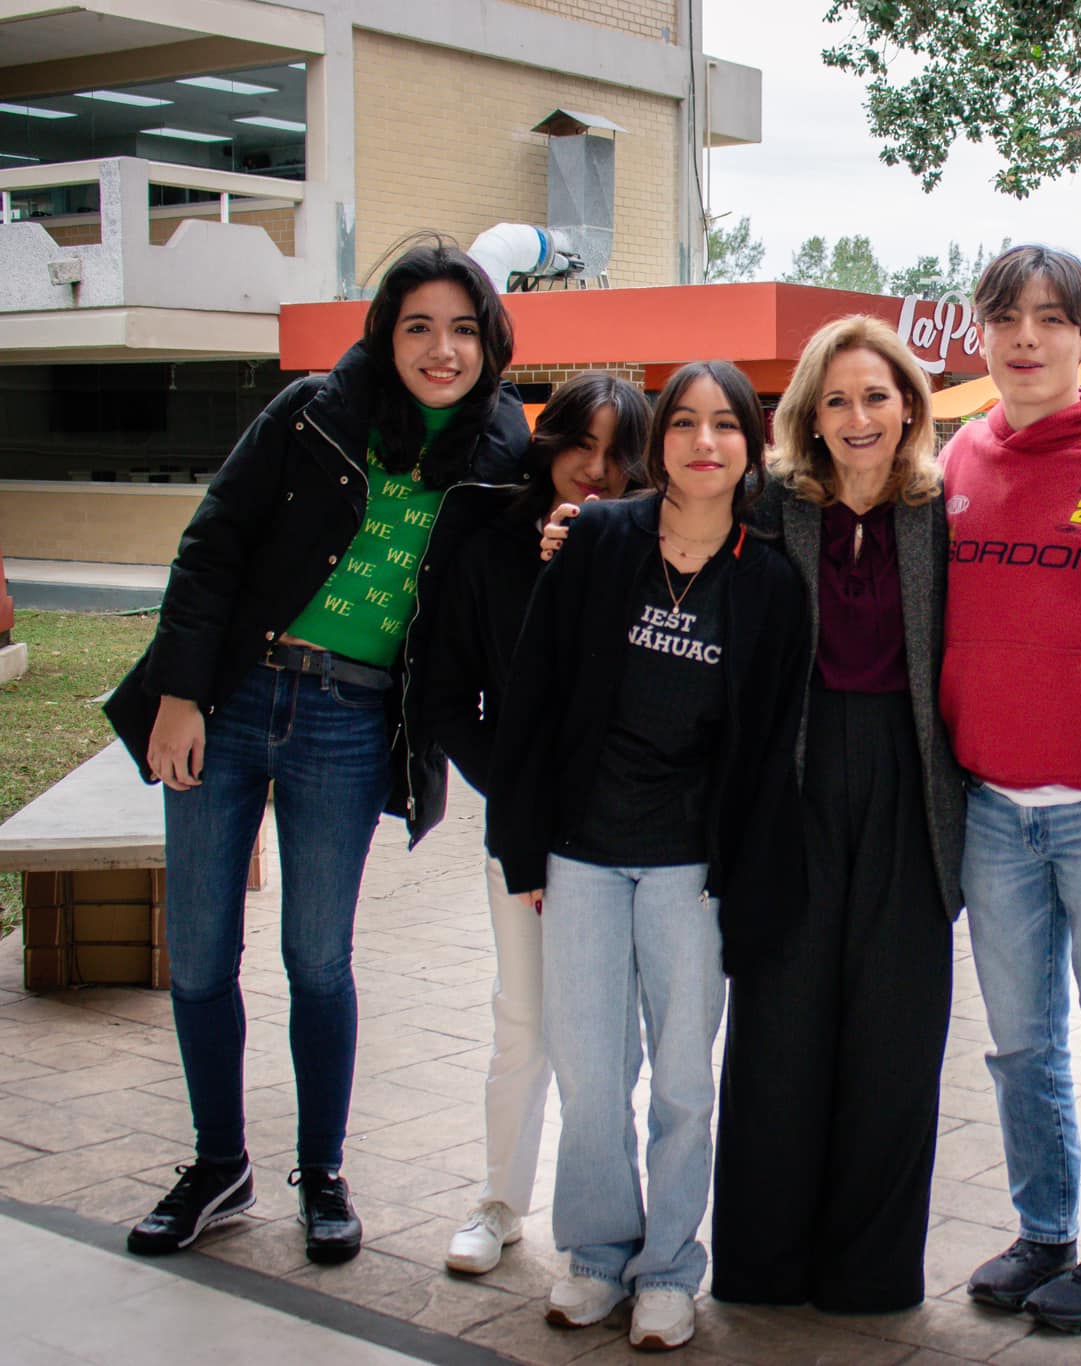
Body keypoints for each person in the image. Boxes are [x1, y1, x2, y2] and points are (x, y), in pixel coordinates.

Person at [103, 236, 527, 1264]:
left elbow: (517, 578)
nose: (440, 349)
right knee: (201, 953)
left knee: (317, 959)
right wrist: (181, 693)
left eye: (462, 329)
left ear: (489, 341)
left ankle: (321, 1173)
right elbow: (212, 546)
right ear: (385, 333)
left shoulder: (500, 450)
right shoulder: (310, 413)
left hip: (350, 718)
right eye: (418, 326)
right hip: (233, 698)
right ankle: (217, 1164)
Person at [485, 362, 807, 1350]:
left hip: (688, 867)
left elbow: (768, 752)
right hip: (581, 850)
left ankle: (668, 1266)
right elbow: (533, 691)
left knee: (678, 1079)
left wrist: (742, 877)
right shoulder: (598, 540)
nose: (704, 442)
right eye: (685, 424)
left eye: (726, 425)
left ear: (750, 447)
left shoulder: (770, 580)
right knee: (589, 1070)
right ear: (658, 439)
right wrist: (521, 845)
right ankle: (594, 1254)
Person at [710, 317, 965, 1312]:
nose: (858, 417)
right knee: (779, 1030)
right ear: (808, 416)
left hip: (911, 785)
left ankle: (869, 1275)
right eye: (836, 399)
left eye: (875, 395)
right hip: (795, 785)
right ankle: (763, 1266)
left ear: (908, 403)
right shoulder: (767, 506)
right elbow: (663, 527)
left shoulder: (946, 512)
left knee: (894, 1043)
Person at [946, 245, 1081, 1333]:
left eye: (1048, 318)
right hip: (990, 808)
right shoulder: (957, 459)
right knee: (1018, 1042)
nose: (1023, 339)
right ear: (976, 332)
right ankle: (1044, 1228)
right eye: (1003, 318)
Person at [419, 371, 650, 1275]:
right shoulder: (491, 553)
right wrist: (514, 790)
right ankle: (498, 1202)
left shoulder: (660, 552)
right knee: (524, 1020)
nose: (594, 469)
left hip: (633, 837)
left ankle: (617, 1222)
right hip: (526, 833)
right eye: (578, 445)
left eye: (617, 455)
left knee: (617, 1038)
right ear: (545, 443)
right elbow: (447, 699)